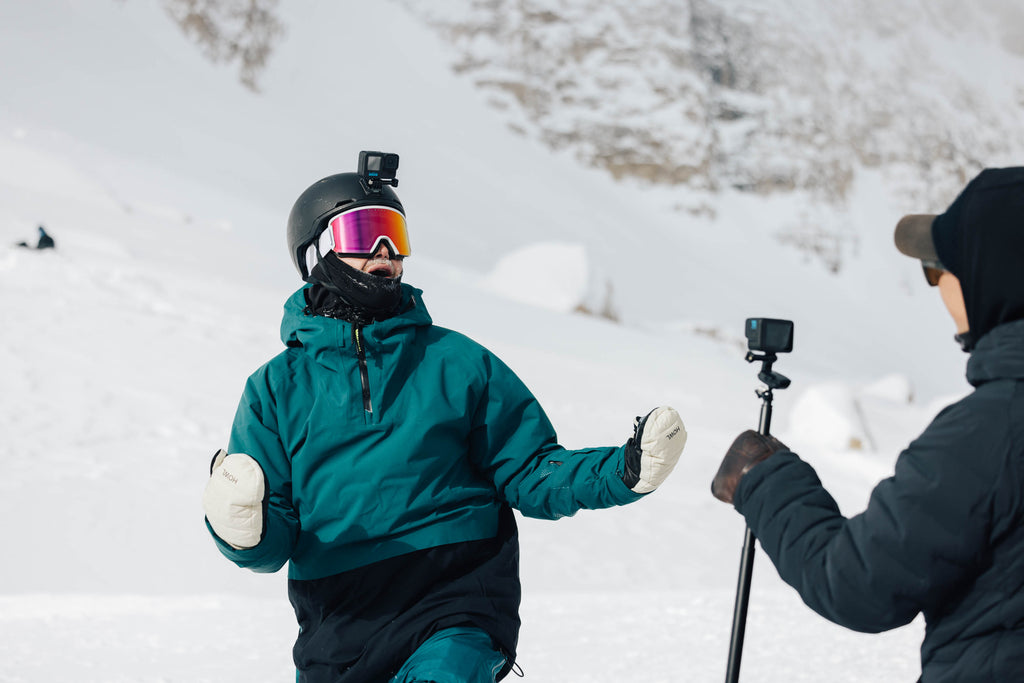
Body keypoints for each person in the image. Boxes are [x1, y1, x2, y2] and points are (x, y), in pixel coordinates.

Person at [202, 151, 688, 683]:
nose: (386, 254)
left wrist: (623, 472)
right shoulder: (276, 388)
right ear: (317, 250)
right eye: (365, 232)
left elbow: (530, 472)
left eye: (395, 235)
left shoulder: (456, 363)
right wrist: (241, 529)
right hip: (340, 622)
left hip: (456, 596)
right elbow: (272, 543)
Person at [711, 166, 1024, 681]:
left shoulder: (990, 432)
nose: (939, 285)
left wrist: (762, 479)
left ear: (994, 277)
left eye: (939, 268)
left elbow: (859, 583)